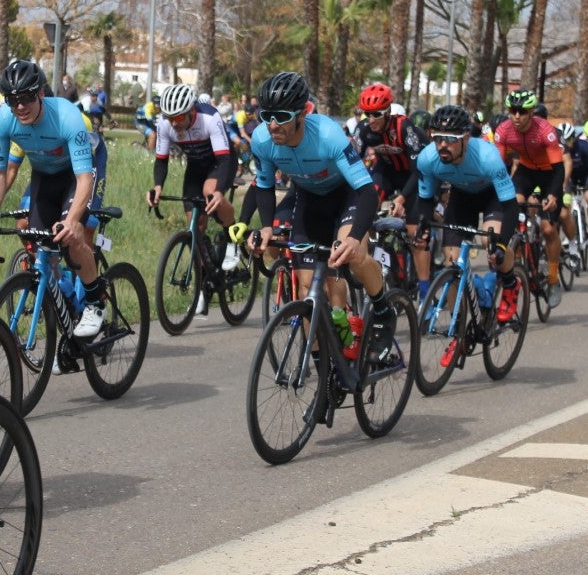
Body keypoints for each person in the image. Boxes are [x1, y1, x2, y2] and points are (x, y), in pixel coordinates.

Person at [248, 72, 397, 371]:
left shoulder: (328, 135)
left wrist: (354, 237)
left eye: (281, 116)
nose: (272, 124)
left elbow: (367, 191)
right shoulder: (262, 139)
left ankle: (382, 308)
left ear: (302, 113)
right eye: (266, 115)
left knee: (352, 254)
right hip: (310, 198)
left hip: (348, 196)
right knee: (305, 290)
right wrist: (266, 227)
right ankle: (323, 367)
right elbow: (263, 186)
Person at [0, 60, 107, 338]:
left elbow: (86, 178)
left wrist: (72, 220)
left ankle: (95, 301)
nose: (20, 106)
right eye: (13, 100)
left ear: (40, 94)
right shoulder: (3, 120)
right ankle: (64, 304)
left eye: (26, 97)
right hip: (46, 175)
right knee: (39, 244)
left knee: (72, 235)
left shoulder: (66, 117)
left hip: (81, 172)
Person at [413, 105, 521, 367]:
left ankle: (509, 284)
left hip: (493, 198)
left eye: (450, 139)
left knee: (490, 241)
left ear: (466, 138)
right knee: (452, 263)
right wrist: (424, 228)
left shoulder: (487, 156)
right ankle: (457, 332)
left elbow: (510, 206)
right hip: (462, 199)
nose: (442, 145)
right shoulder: (428, 158)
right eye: (437, 137)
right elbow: (425, 199)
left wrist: (501, 245)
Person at [146, 84, 242, 290]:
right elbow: (161, 160)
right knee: (194, 224)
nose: (174, 123)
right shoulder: (164, 124)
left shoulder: (209, 117)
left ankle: (233, 237)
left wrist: (219, 191)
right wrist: (158, 187)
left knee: (209, 193)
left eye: (179, 118)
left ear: (191, 111)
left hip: (221, 161)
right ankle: (203, 274)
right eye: (170, 117)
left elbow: (224, 160)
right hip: (196, 166)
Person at [351, 83, 429, 297]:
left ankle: (424, 289)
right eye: (367, 114)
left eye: (376, 114)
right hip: (386, 172)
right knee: (365, 204)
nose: (372, 119)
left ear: (387, 112)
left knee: (415, 233)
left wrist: (402, 199)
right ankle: (372, 254)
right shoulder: (364, 129)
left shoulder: (404, 128)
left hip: (412, 176)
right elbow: (352, 162)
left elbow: (418, 171)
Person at [494, 89, 567, 307]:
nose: (517, 116)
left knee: (547, 229)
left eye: (522, 111)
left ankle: (553, 278)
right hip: (526, 172)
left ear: (531, 111)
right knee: (512, 208)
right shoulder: (503, 130)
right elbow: (498, 166)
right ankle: (516, 259)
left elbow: (559, 168)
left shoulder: (546, 131)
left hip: (549, 174)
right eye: (513, 111)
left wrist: (554, 194)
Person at [556, 121, 588, 253]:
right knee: (566, 202)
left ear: (574, 137)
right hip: (570, 178)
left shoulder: (583, 146)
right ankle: (569, 234)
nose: (566, 143)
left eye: (569, 140)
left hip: (586, 176)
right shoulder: (559, 149)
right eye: (564, 140)